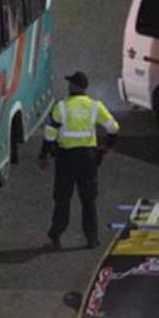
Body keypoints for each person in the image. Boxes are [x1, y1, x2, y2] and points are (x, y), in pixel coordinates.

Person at [38, 72, 120, 250]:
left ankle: (55, 237)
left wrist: (44, 155)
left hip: (66, 158)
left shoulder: (61, 106)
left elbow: (50, 134)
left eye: (70, 83)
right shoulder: (95, 106)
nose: (68, 86)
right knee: (88, 201)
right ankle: (92, 239)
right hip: (88, 159)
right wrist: (106, 148)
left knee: (62, 199)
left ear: (74, 86)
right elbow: (113, 128)